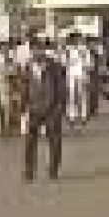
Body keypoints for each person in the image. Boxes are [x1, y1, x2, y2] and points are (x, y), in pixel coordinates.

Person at [22, 42, 66, 182]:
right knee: (30, 142)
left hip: (52, 109)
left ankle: (53, 170)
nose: (36, 53)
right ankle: (29, 171)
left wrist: (59, 107)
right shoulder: (28, 67)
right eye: (34, 50)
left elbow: (62, 88)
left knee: (54, 141)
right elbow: (25, 87)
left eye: (39, 49)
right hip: (34, 108)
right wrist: (24, 106)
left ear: (43, 50)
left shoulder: (55, 66)